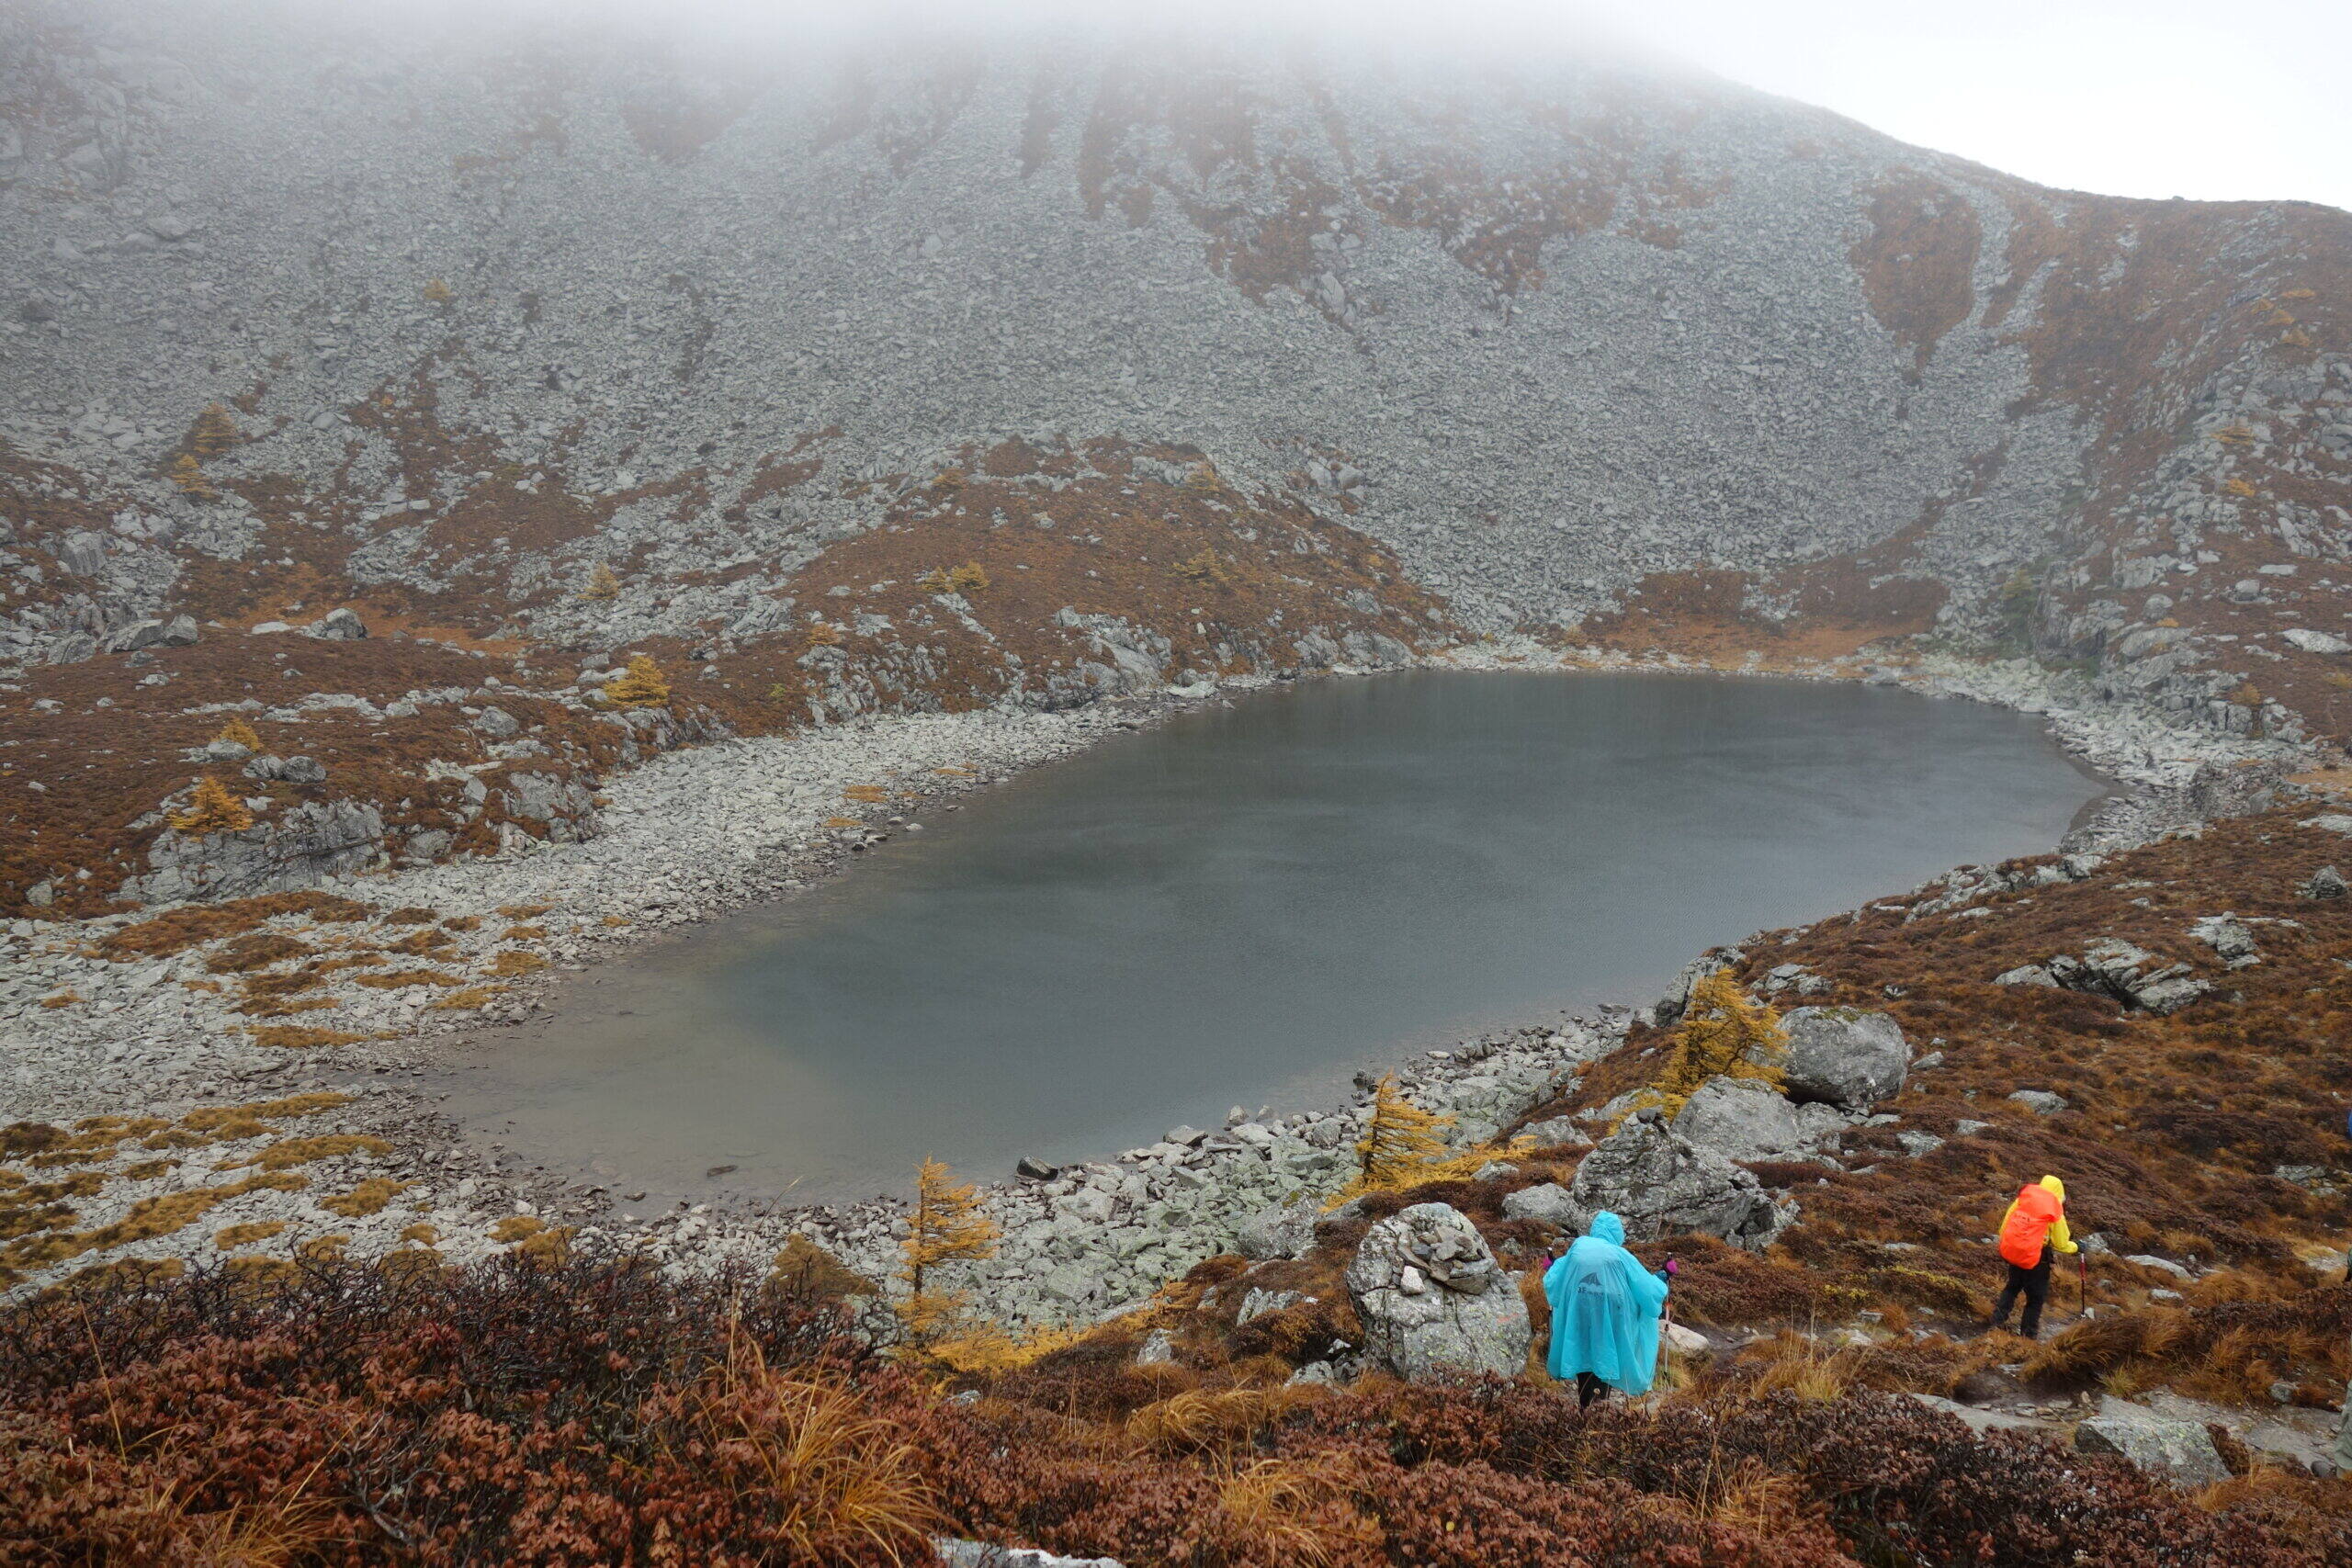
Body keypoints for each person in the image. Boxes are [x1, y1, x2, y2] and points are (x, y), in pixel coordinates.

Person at [1543, 1211, 1674, 1407]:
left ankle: (1585, 1405)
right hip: (1612, 1315)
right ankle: (1598, 1409)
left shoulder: (1579, 1246)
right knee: (1604, 1353)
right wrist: (1663, 1275)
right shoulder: (1620, 1255)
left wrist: (1551, 1266)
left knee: (1583, 1350)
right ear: (1617, 1233)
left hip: (1578, 1312)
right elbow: (1647, 1289)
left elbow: (1557, 1274)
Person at [1990, 1174, 2078, 1340]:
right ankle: (2027, 1337)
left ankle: (1996, 1324)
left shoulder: (2021, 1201)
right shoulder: (2054, 1210)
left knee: (2011, 1288)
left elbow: (2004, 1228)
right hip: (2038, 1260)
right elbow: (2061, 1243)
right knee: (2035, 1298)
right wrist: (2076, 1247)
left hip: (2015, 1253)